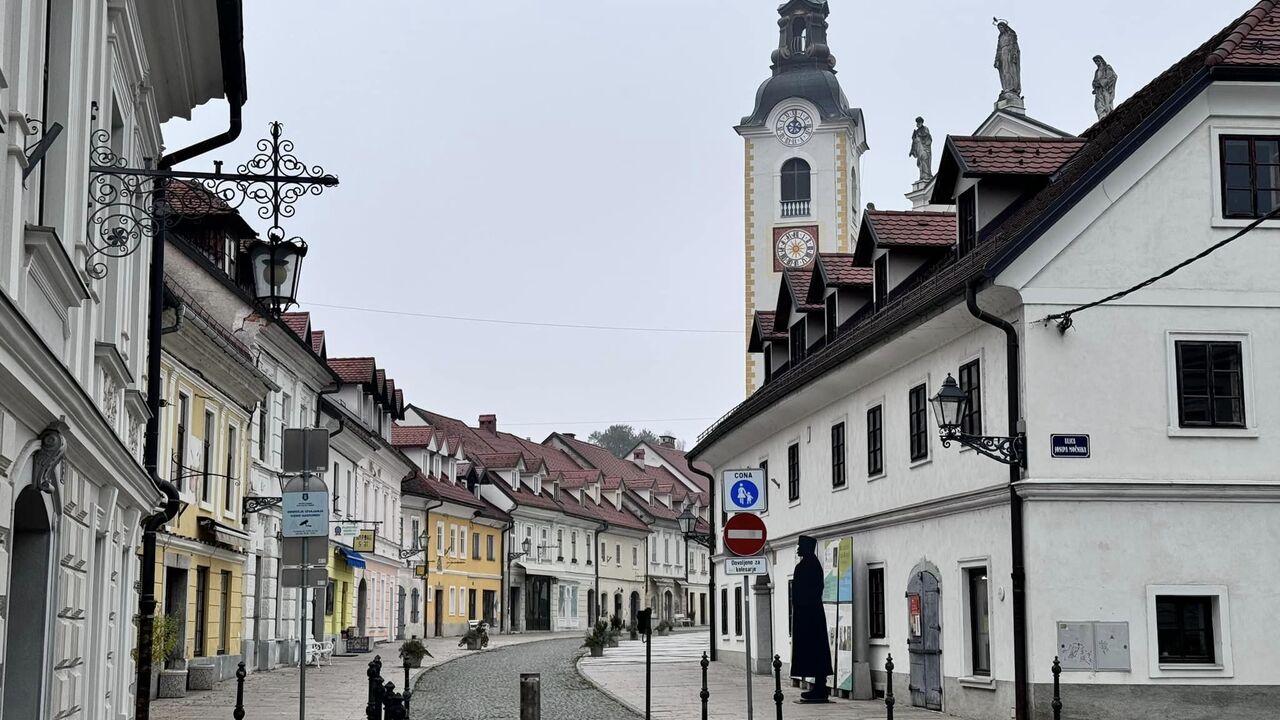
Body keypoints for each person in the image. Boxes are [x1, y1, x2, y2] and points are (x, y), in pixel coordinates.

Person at [790, 535, 833, 702]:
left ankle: (820, 687)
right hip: (810, 613)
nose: (798, 549)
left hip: (809, 614)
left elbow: (809, 591)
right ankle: (818, 686)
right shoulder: (811, 564)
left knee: (815, 650)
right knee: (815, 650)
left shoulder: (808, 566)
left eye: (800, 546)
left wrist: (801, 605)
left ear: (807, 548)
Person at [909, 117, 933, 184]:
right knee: (920, 162)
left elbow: (929, 138)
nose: (918, 124)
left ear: (922, 122)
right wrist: (911, 150)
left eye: (919, 122)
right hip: (919, 149)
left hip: (925, 149)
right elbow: (914, 142)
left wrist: (920, 136)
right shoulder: (916, 132)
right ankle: (922, 176)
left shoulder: (925, 129)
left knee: (925, 160)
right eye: (917, 122)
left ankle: (927, 176)